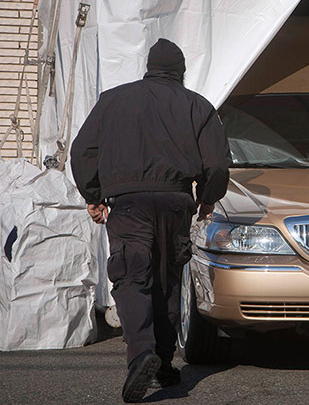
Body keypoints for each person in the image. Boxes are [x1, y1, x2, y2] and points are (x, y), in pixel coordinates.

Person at [71, 38, 230, 402]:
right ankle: (161, 361)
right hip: (176, 201)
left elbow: (83, 150)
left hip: (128, 204)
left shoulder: (113, 100)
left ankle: (141, 353)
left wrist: (93, 196)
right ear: (181, 72)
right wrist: (207, 198)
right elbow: (217, 164)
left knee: (132, 276)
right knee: (166, 279)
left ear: (148, 67)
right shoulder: (197, 105)